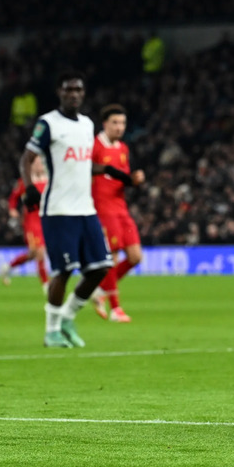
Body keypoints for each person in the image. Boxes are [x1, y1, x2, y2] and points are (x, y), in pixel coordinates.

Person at [20, 71, 128, 348]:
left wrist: (112, 171)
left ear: (83, 93)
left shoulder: (86, 125)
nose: (74, 94)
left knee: (101, 267)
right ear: (60, 92)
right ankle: (51, 331)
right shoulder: (49, 123)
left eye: (78, 90)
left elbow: (84, 164)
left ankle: (67, 316)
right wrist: (29, 186)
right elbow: (27, 156)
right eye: (69, 90)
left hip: (86, 209)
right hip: (58, 210)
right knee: (64, 270)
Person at [90, 103, 146, 323]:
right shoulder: (94, 146)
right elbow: (86, 168)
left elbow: (123, 179)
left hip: (121, 208)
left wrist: (135, 180)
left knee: (135, 257)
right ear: (105, 124)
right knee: (111, 259)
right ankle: (115, 309)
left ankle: (100, 289)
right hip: (102, 209)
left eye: (122, 123)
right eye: (115, 122)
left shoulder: (123, 148)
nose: (119, 127)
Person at [0, 156, 50, 294]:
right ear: (31, 166)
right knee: (39, 252)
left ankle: (8, 268)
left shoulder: (49, 180)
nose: (39, 165)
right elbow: (13, 197)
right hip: (31, 221)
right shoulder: (26, 181)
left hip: (46, 220)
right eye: (36, 163)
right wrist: (12, 209)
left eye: (41, 163)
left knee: (33, 254)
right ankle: (47, 285)